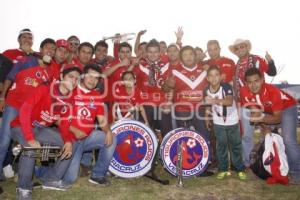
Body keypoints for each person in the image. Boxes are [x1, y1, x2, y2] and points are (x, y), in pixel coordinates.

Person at [10, 64, 82, 199]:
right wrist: (30, 137)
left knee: (73, 143)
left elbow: (65, 124)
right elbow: (25, 110)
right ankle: (23, 188)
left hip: (40, 128)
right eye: (70, 77)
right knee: (30, 147)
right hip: (21, 126)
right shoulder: (45, 88)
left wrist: (67, 140)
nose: (74, 81)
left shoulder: (70, 100)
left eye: (77, 79)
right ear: (61, 77)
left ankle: (51, 179)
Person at [0, 38, 57, 181]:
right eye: (47, 48)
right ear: (41, 49)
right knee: (5, 140)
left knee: (25, 140)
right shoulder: (26, 61)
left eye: (53, 49)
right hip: (14, 104)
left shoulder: (50, 72)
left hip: (31, 111)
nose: (50, 51)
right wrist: (2, 97)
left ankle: (23, 173)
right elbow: (10, 77)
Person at [240, 67, 300, 184]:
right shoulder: (244, 91)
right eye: (250, 82)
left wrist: (261, 119)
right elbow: (255, 112)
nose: (253, 85)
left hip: (287, 107)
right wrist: (265, 128)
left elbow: (277, 118)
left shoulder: (273, 91)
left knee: (288, 139)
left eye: (256, 81)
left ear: (262, 80)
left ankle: (296, 173)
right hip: (268, 110)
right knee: (266, 138)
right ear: (246, 83)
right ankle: (262, 167)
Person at [62, 64, 116, 186]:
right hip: (70, 140)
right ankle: (39, 171)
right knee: (70, 179)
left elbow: (102, 120)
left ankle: (97, 175)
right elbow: (58, 118)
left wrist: (108, 131)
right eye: (90, 76)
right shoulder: (71, 90)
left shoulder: (97, 96)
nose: (93, 80)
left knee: (112, 138)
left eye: (96, 78)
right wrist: (74, 129)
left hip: (86, 138)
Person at [229, 39, 277, 167]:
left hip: (262, 100)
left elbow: (272, 72)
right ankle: (248, 162)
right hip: (244, 102)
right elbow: (236, 85)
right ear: (235, 51)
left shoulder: (257, 59)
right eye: (237, 48)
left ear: (247, 47)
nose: (240, 49)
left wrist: (270, 61)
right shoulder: (236, 64)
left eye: (242, 46)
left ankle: (268, 159)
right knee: (246, 134)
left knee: (267, 131)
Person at [204, 66, 246, 180]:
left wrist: (214, 100)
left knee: (235, 146)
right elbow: (207, 106)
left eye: (216, 74)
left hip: (232, 121)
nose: (214, 78)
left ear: (220, 76)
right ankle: (223, 169)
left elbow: (228, 101)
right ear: (207, 78)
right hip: (218, 122)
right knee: (221, 146)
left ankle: (239, 168)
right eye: (211, 75)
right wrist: (207, 119)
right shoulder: (206, 90)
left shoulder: (226, 86)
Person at [131, 39, 172, 140]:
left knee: (166, 133)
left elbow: (171, 86)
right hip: (144, 105)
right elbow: (127, 80)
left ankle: (164, 154)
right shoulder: (140, 65)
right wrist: (132, 65)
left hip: (162, 104)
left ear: (159, 53)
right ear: (146, 52)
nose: (153, 54)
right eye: (150, 52)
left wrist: (169, 102)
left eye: (155, 52)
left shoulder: (166, 65)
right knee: (142, 134)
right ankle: (145, 155)